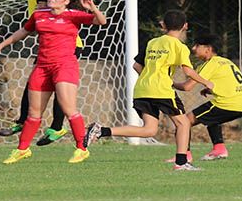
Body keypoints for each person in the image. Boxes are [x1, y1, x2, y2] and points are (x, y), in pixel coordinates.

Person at [84, 10, 214, 171]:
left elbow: (136, 65)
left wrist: (150, 78)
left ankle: (101, 131)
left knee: (149, 129)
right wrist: (206, 82)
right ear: (185, 26)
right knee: (184, 123)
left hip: (142, 89)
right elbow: (188, 72)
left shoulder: (153, 42)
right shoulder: (179, 46)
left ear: (163, 25)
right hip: (161, 90)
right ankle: (181, 162)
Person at [0, 0, 106, 164]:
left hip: (64, 65)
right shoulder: (39, 14)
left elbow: (101, 21)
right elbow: (23, 31)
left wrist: (93, 8)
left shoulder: (73, 15)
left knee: (69, 109)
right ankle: (22, 150)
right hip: (42, 67)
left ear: (66, 1)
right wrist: (1, 46)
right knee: (34, 113)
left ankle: (82, 149)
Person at [0, 0, 85, 146]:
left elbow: (81, 16)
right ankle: (23, 121)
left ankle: (57, 127)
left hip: (70, 47)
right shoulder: (34, 0)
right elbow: (35, 24)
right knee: (33, 85)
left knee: (61, 91)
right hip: (47, 48)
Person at [169, 34, 242, 161]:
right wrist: (209, 90)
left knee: (185, 121)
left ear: (208, 49)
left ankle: (184, 155)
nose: (193, 48)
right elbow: (230, 83)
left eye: (197, 45)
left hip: (228, 104)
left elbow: (188, 87)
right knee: (212, 119)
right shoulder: (226, 61)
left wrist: (169, 83)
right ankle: (219, 150)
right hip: (240, 103)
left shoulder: (210, 63)